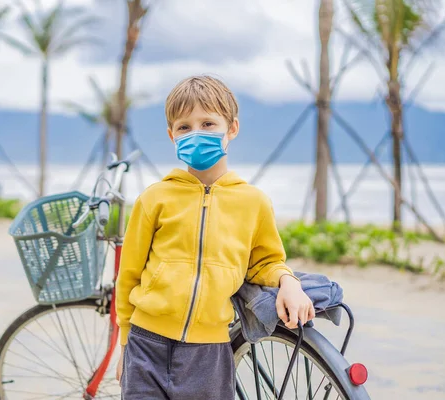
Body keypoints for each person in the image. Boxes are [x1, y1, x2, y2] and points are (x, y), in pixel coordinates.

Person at [115, 75, 315, 399]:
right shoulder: (154, 199)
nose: (196, 133)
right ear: (171, 135)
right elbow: (129, 276)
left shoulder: (254, 202)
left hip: (208, 353)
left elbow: (266, 261)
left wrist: (289, 283)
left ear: (232, 128)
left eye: (208, 123)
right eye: (184, 127)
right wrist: (124, 342)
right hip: (145, 342)